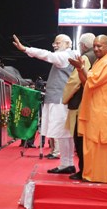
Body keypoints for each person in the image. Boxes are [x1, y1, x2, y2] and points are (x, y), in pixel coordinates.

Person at [13, 34, 78, 172]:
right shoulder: (69, 55)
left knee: (63, 133)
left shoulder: (64, 56)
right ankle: (67, 163)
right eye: (54, 42)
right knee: (64, 134)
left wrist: (26, 49)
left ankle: (67, 164)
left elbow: (46, 55)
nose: (55, 45)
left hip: (59, 100)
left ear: (67, 43)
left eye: (58, 42)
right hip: (60, 99)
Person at [69, 35, 107, 184]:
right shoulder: (99, 62)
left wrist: (82, 68)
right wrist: (80, 70)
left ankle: (98, 176)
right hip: (93, 110)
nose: (97, 48)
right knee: (90, 146)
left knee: (98, 146)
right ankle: (89, 174)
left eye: (100, 46)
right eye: (95, 46)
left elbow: (93, 80)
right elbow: (87, 82)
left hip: (101, 111)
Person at [61, 33, 96, 180]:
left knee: (79, 138)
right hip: (93, 103)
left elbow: (74, 82)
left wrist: (64, 98)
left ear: (82, 46)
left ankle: (83, 171)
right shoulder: (98, 58)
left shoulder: (86, 57)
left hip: (81, 103)